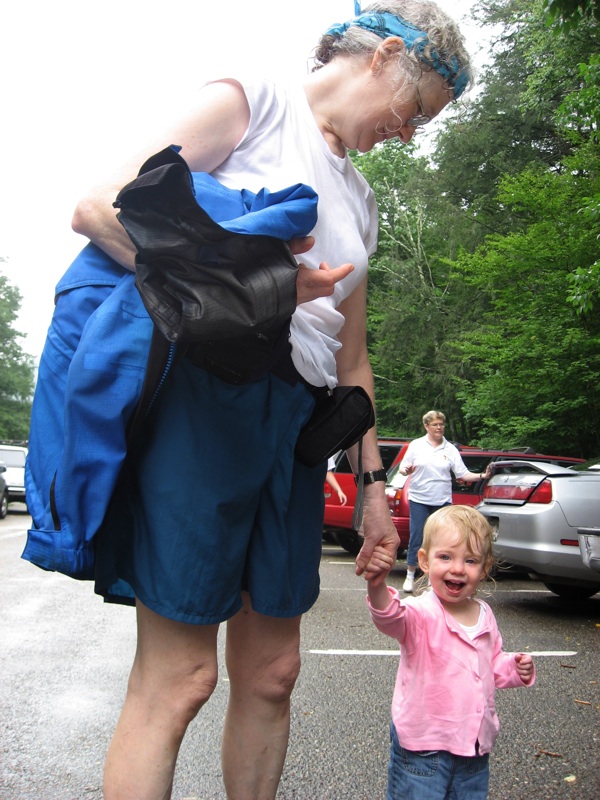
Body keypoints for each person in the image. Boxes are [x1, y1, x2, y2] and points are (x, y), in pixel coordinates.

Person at [71, 3, 473, 798]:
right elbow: (102, 207)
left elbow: (352, 358)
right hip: (207, 399)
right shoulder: (255, 102)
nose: (410, 133)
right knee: (181, 677)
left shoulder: (361, 201)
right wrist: (256, 291)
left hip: (296, 429)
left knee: (273, 674)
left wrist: (374, 491)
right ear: (388, 54)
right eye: (415, 107)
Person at [364, 505, 535, 800]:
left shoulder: (484, 614)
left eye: (470, 560)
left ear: (484, 568)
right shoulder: (421, 612)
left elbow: (491, 663)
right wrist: (376, 586)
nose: (457, 568)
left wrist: (514, 667)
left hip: (473, 748)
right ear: (425, 561)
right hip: (423, 748)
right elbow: (390, 618)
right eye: (445, 557)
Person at [398, 410, 491, 593]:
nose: (439, 428)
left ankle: (433, 579)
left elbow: (462, 474)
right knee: (417, 537)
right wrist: (405, 470)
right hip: (419, 498)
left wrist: (483, 475)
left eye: (441, 424)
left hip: (441, 501)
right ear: (426, 426)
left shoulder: (450, 449)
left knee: (440, 541)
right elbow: (402, 467)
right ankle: (410, 574)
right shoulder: (417, 445)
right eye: (435, 424)